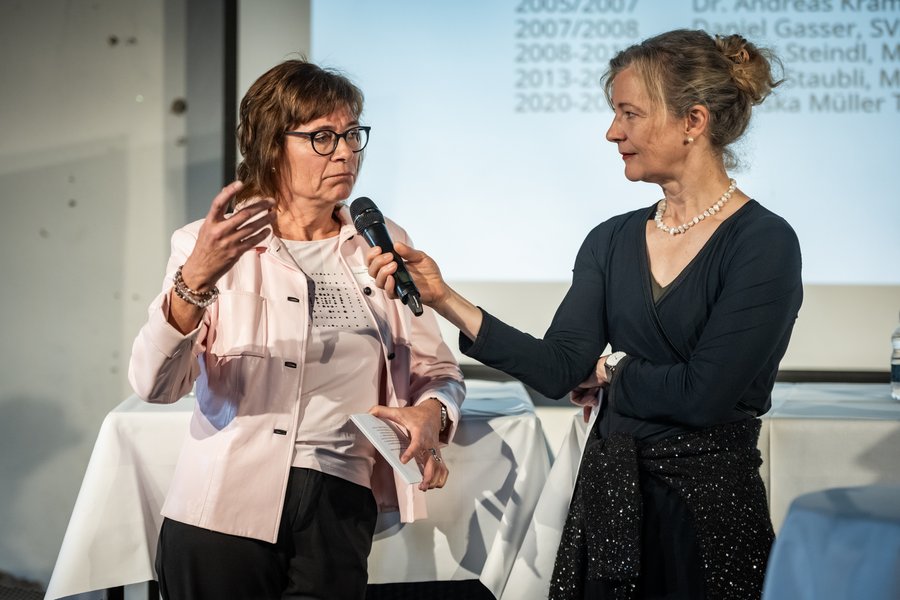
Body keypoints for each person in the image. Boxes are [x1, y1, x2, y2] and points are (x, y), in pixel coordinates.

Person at [367, 29, 801, 599]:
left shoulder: (763, 242)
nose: (612, 132)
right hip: (611, 507)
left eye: (629, 113)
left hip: (708, 518)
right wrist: (444, 298)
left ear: (693, 121)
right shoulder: (611, 240)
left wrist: (611, 371)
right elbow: (559, 368)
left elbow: (702, 394)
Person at [128, 60, 464, 600]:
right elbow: (154, 385)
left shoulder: (380, 242)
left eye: (352, 134)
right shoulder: (208, 245)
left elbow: (439, 371)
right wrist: (194, 282)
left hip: (339, 503)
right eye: (323, 137)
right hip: (222, 505)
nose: (346, 152)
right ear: (270, 146)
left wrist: (433, 411)